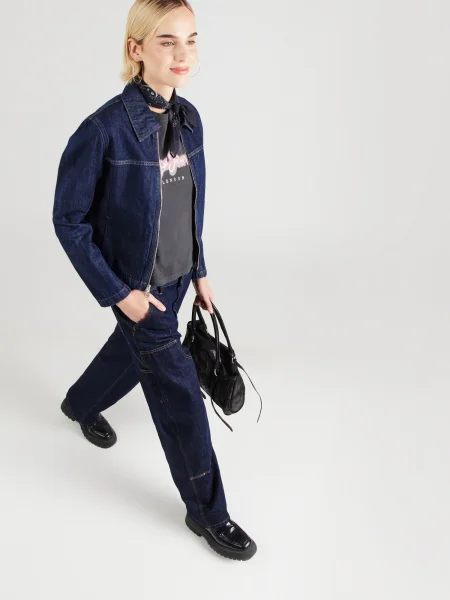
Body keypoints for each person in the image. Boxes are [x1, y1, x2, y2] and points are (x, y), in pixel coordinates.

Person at [52, 0, 257, 561]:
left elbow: (188, 206)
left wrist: (200, 270)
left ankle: (79, 404)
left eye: (191, 39)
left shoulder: (189, 119)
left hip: (176, 282)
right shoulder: (103, 131)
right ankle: (208, 513)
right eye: (167, 41)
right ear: (136, 49)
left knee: (127, 355)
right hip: (138, 290)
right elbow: (68, 220)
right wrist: (122, 296)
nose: (183, 53)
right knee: (181, 399)